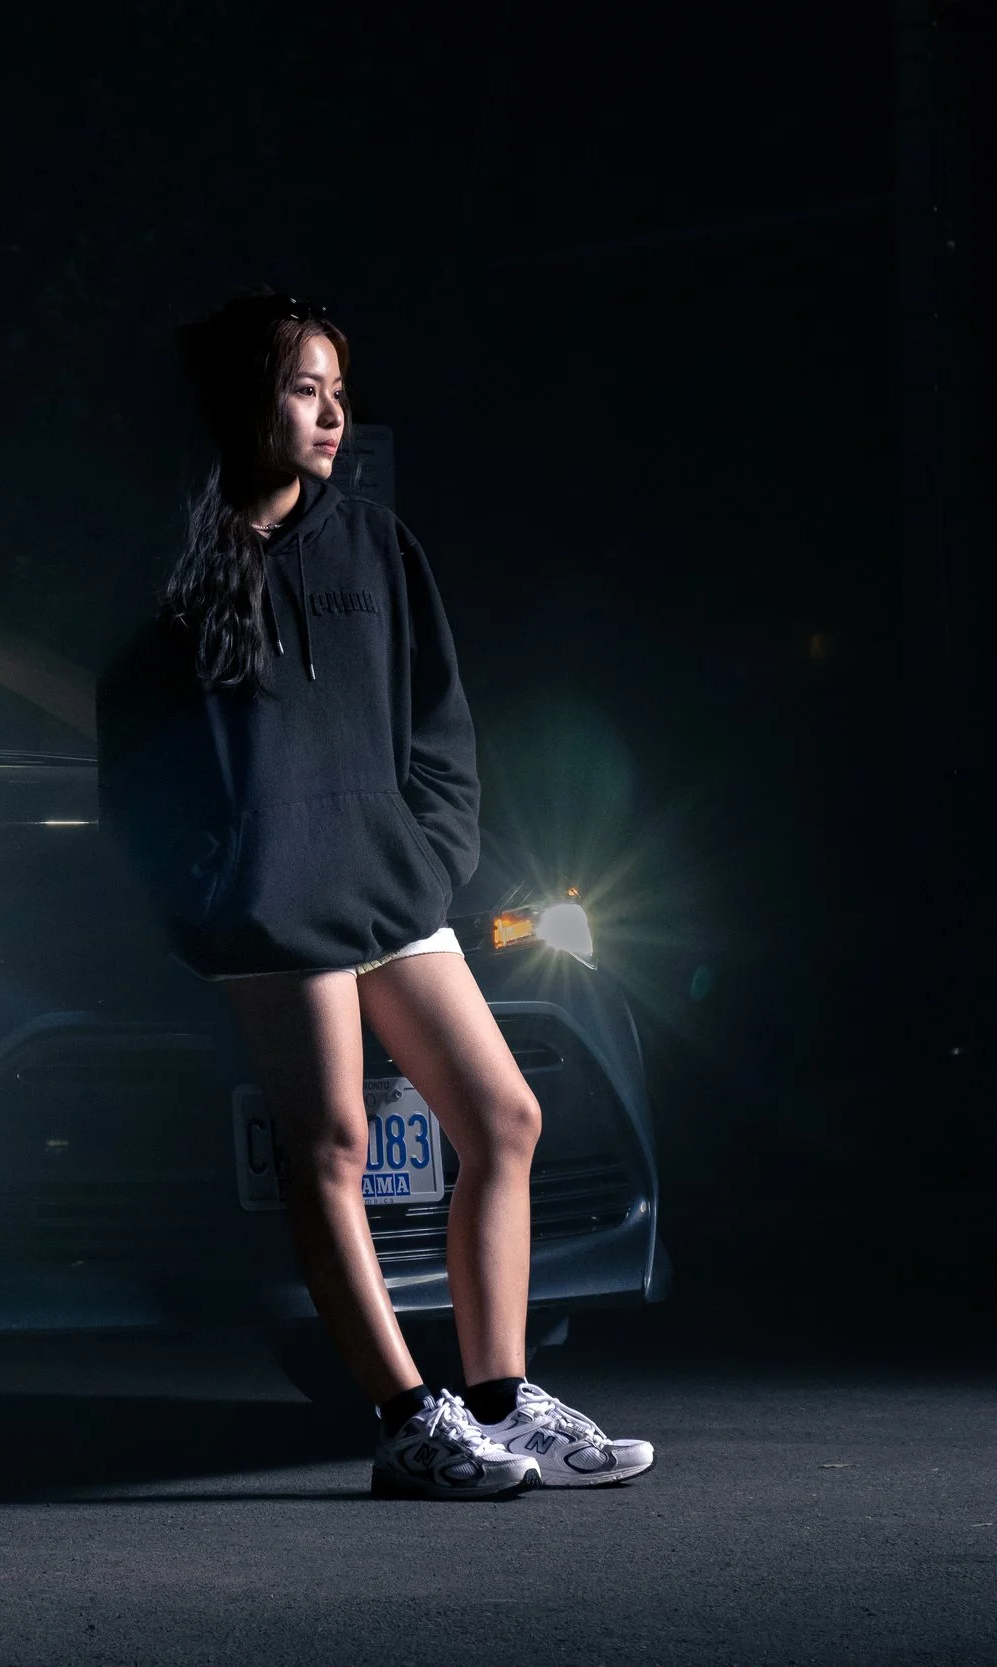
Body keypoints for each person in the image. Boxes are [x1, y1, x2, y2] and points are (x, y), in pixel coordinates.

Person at [98, 290, 655, 1500]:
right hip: (270, 908)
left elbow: (439, 724)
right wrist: (216, 886)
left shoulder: (374, 545)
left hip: (390, 890)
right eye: (306, 388)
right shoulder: (172, 567)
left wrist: (430, 851)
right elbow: (134, 766)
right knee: (334, 1144)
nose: (333, 413)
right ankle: (411, 1419)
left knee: (502, 1119)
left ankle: (501, 1400)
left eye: (339, 391)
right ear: (249, 401)